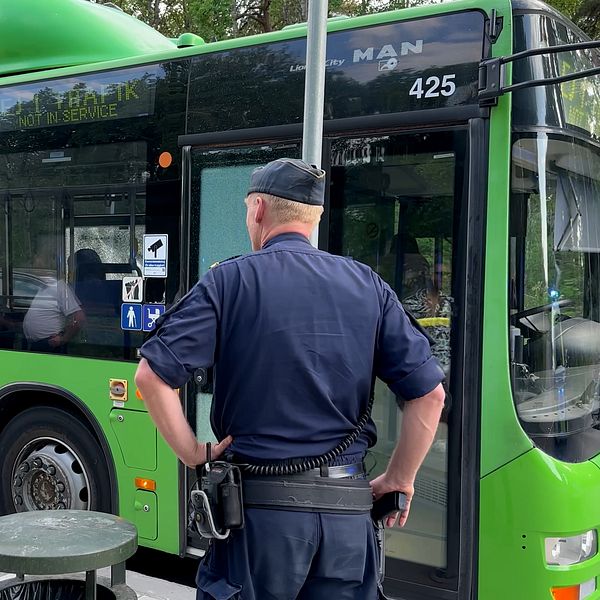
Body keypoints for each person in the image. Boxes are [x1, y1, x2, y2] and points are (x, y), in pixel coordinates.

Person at [134, 158, 446, 600]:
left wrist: (192, 452)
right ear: (314, 217)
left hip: (258, 524)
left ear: (258, 209)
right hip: (347, 522)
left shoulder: (229, 281)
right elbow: (429, 396)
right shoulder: (368, 285)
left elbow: (151, 375)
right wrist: (399, 478)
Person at [23, 247, 85, 354]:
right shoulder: (41, 287)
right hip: (37, 346)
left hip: (50, 346)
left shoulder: (59, 287)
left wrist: (63, 339)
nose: (33, 265)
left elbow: (79, 318)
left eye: (36, 260)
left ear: (47, 265)